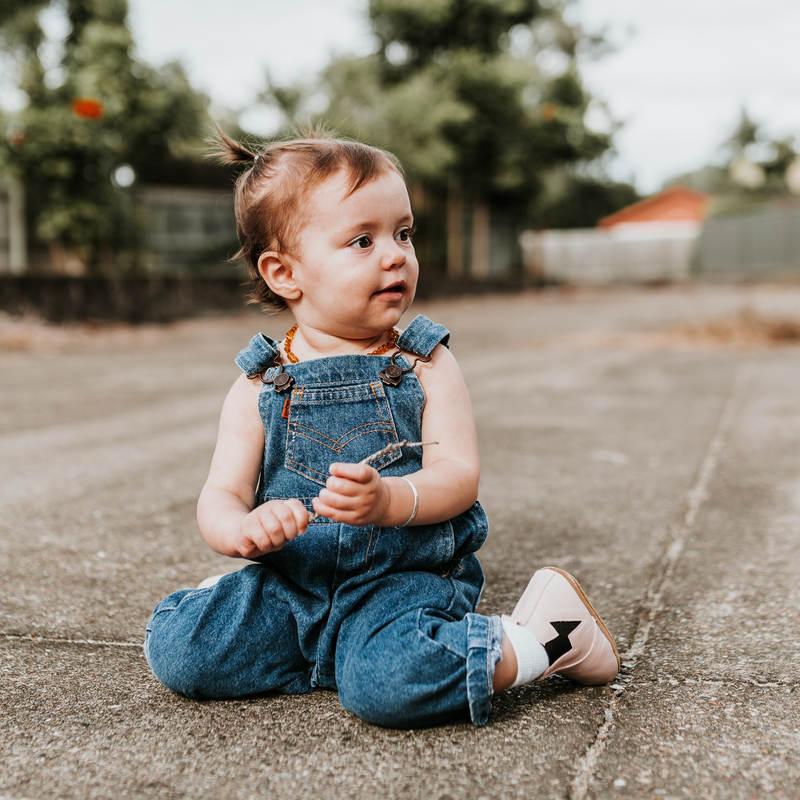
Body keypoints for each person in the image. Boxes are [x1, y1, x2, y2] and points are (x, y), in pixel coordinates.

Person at [143, 130, 619, 728]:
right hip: (297, 587)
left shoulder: (424, 364)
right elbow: (221, 494)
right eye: (362, 240)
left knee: (388, 685)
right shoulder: (259, 385)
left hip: (402, 583)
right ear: (284, 272)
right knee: (183, 653)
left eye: (404, 233)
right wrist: (241, 529)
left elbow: (459, 477)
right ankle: (295, 632)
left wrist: (392, 499)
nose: (395, 255)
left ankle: (542, 638)